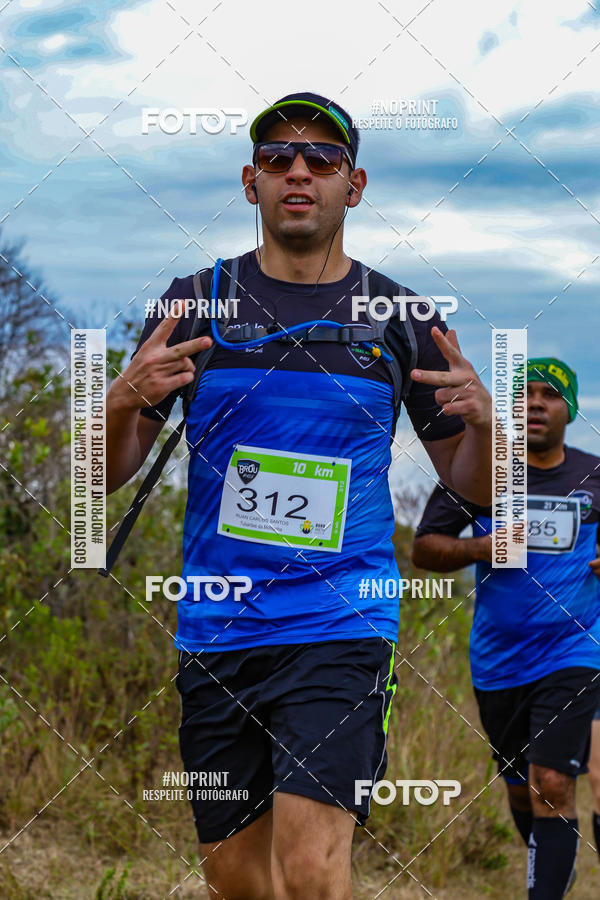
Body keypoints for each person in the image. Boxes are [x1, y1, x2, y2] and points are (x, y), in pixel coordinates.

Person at [106, 91, 493, 900]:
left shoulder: (402, 317)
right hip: (218, 625)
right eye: (277, 156)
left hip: (342, 624)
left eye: (322, 158)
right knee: (237, 882)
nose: (299, 171)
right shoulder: (193, 303)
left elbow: (476, 486)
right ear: (251, 181)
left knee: (312, 873)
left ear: (354, 185)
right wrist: (117, 401)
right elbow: (99, 478)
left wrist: (491, 428)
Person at [411, 357, 600, 899]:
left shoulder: (593, 475)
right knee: (522, 789)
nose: (536, 403)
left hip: (574, 649)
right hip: (499, 662)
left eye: (551, 394)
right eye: (525, 394)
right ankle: (550, 859)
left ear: (570, 409)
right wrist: (483, 547)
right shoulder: (480, 473)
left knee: (552, 782)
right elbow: (425, 549)